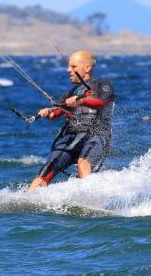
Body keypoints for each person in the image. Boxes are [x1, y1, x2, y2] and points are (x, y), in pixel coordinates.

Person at [28, 50, 115, 192]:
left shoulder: (103, 85)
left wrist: (80, 101)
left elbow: (99, 102)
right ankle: (28, 199)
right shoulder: (69, 94)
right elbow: (57, 111)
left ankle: (90, 200)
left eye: (73, 67)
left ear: (87, 68)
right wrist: (48, 112)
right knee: (46, 170)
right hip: (72, 136)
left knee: (83, 164)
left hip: (96, 134)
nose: (68, 70)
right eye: (69, 66)